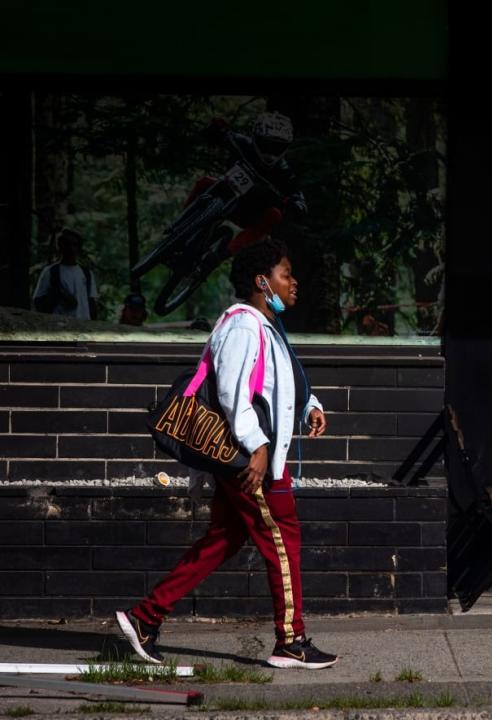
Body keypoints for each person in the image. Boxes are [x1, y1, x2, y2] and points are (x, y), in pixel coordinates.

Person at [115, 237, 337, 670]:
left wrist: (311, 406)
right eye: (286, 274)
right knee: (283, 535)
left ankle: (145, 617)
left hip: (248, 456)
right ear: (262, 280)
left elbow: (277, 384)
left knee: (224, 539)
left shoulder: (264, 324)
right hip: (248, 460)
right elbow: (236, 394)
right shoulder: (242, 325)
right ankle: (291, 641)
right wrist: (257, 448)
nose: (294, 282)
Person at [185, 111, 308, 260]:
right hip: (224, 192)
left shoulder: (284, 170)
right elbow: (213, 136)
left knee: (274, 215)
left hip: (251, 212)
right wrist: (215, 131)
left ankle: (224, 254)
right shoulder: (240, 142)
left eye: (277, 147)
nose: (269, 152)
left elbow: (295, 191)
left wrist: (297, 203)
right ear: (255, 138)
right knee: (205, 182)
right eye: (266, 144)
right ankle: (182, 226)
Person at [32, 229, 98, 320]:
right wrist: (57, 296)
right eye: (67, 244)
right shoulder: (51, 271)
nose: (71, 248)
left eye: (74, 245)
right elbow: (38, 300)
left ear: (78, 248)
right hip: (58, 324)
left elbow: (91, 301)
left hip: (83, 324)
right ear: (60, 246)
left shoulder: (86, 273)